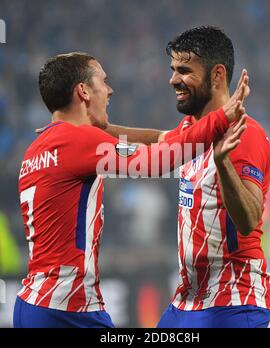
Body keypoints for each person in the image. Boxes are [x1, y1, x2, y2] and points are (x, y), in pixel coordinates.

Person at [15, 52, 247, 328]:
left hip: (32, 303)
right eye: (104, 81)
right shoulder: (78, 140)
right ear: (84, 91)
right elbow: (159, 161)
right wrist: (221, 118)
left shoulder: (37, 148)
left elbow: (163, 142)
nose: (110, 90)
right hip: (67, 308)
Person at [103, 26, 270, 328]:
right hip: (188, 301)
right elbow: (156, 139)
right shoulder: (190, 131)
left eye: (184, 70)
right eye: (173, 70)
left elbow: (249, 219)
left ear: (217, 74)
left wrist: (222, 163)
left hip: (233, 302)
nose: (173, 80)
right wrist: (93, 128)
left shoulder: (245, 135)